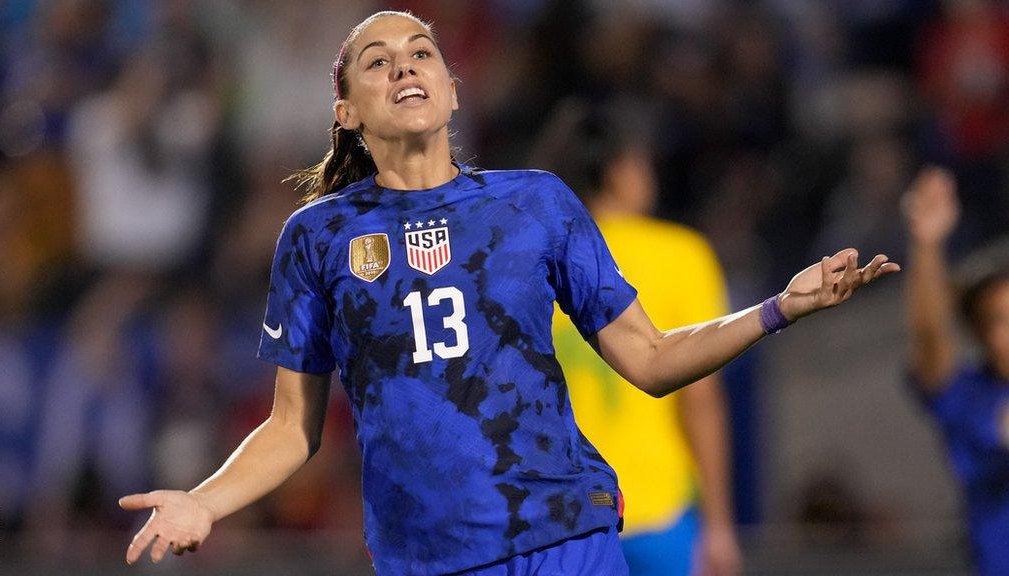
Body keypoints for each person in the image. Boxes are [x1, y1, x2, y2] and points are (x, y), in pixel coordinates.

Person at [119, 11, 899, 575]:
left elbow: (653, 359)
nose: (404, 67)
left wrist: (778, 310)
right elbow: (293, 429)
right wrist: (204, 502)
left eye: (421, 53)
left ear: (454, 93)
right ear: (347, 112)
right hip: (428, 557)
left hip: (567, 536)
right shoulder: (317, 238)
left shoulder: (535, 204)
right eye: (378, 60)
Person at [533, 101, 741, 576]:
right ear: (618, 170)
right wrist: (722, 524)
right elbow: (701, 397)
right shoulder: (681, 255)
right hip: (660, 511)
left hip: (565, 520)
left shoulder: (537, 260)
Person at [902, 167, 1009, 576]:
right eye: (1000, 320)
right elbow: (931, 339)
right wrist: (927, 246)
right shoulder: (970, 397)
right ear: (981, 334)